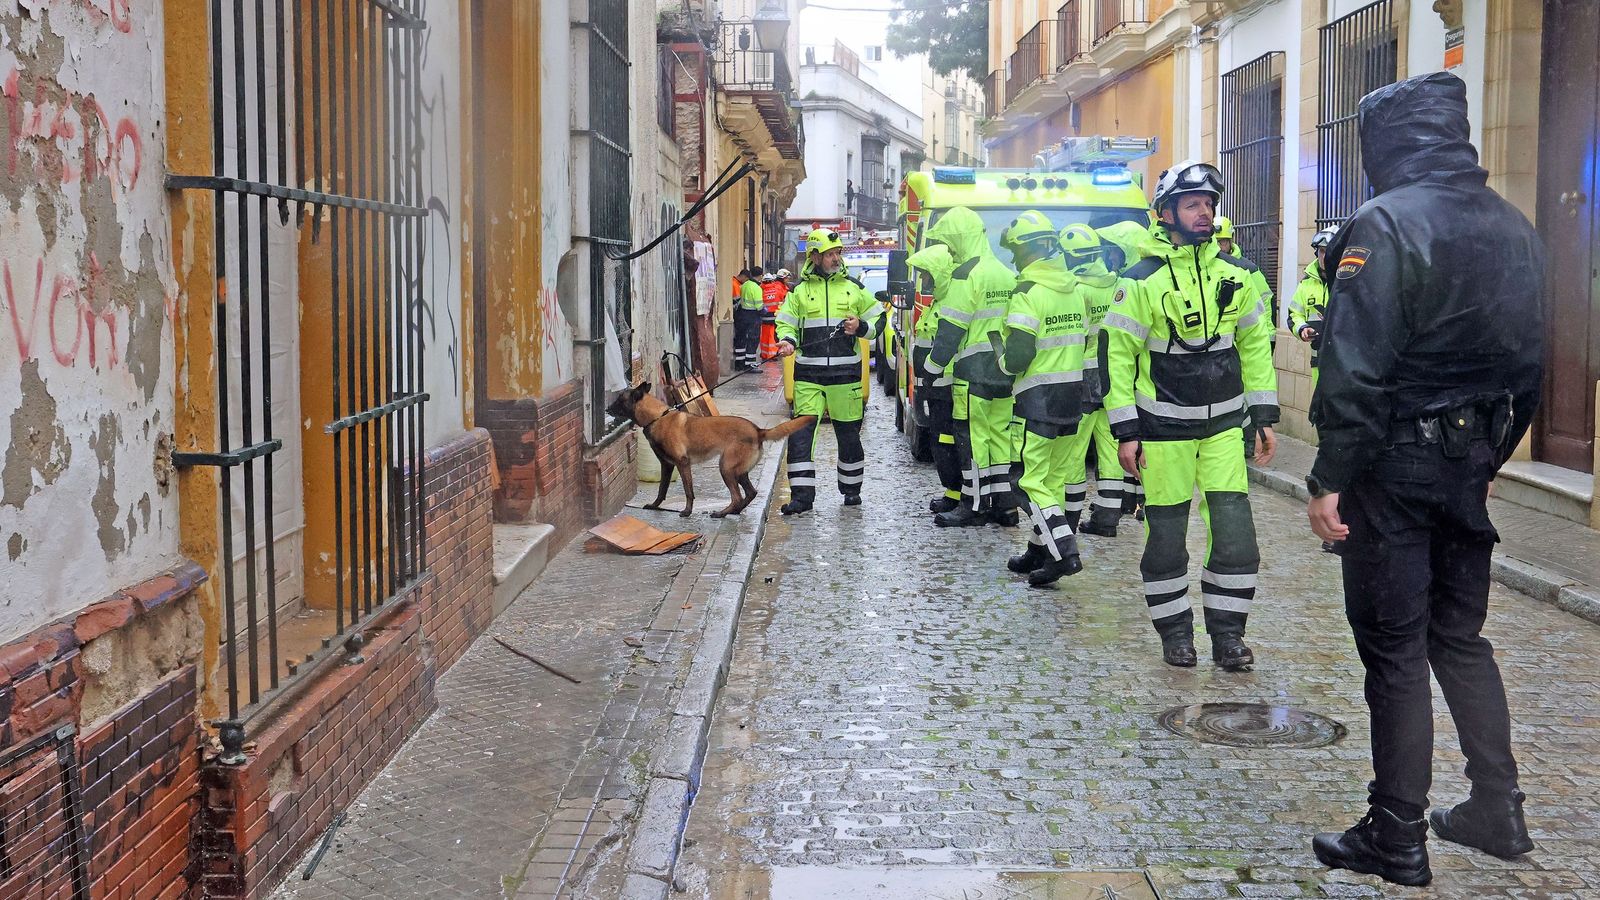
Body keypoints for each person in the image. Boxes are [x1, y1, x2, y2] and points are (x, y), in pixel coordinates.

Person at [1305, 72, 1544, 888]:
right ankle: (1498, 807)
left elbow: (1355, 366)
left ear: (1387, 141)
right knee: (1458, 636)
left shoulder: (1387, 222)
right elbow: (1531, 364)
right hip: (1469, 458)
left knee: (1396, 651)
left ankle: (1396, 833)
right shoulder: (1514, 226)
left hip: (1394, 464)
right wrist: (1486, 456)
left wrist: (1330, 476)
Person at [1103, 159, 1279, 670]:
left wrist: (1263, 415)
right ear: (1166, 214)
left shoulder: (1239, 275)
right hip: (1162, 433)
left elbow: (1254, 348)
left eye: (1208, 205)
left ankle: (1228, 637)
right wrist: (1125, 432)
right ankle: (1176, 635)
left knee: (1237, 540)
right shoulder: (1138, 281)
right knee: (1166, 541)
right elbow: (1116, 359)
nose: (1204, 213)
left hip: (1225, 429)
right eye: (1192, 204)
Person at [994, 211, 1087, 586]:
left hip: (1037, 399)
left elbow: (1018, 356)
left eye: (1015, 251)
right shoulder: (1074, 288)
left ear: (1028, 251)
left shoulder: (1027, 292)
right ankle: (1039, 552)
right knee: (1054, 478)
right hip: (1072, 394)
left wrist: (1000, 360)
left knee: (1029, 482)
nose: (1014, 259)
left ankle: (1064, 552)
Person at [923, 207, 1021, 528]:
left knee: (973, 444)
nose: (949, 253)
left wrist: (931, 367)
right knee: (999, 442)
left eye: (950, 245)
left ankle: (973, 506)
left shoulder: (966, 276)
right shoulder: (1006, 274)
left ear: (961, 241)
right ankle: (1005, 507)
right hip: (1003, 375)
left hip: (971, 378)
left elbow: (950, 330)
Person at [774, 229, 883, 513]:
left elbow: (879, 322)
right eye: (830, 254)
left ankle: (851, 491)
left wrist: (860, 327)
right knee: (800, 438)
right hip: (808, 377)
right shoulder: (798, 292)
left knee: (848, 437)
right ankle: (801, 498)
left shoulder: (854, 288)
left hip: (846, 378)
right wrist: (787, 342)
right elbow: (785, 324)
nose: (836, 259)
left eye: (837, 253)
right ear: (815, 256)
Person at [1057, 224, 1126, 537]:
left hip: (1082, 379)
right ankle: (1107, 520)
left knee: (1074, 450)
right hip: (1113, 376)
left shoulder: (1075, 290)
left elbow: (1075, 335)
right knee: (1110, 449)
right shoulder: (1117, 285)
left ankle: (1068, 520)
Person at [905, 242, 968, 515]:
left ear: (939, 273)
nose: (924, 281)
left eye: (926, 275)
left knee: (947, 442)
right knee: (942, 442)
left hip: (948, 388)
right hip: (935, 388)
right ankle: (952, 492)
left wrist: (930, 372)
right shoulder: (939, 303)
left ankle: (956, 494)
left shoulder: (949, 305)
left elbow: (945, 346)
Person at [1214, 215, 1277, 456]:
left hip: (1249, 342)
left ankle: (1250, 440)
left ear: (1232, 241)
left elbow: (1264, 305)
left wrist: (1267, 340)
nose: (1221, 246)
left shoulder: (1248, 270)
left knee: (1248, 398)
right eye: (1217, 241)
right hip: (1225, 346)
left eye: (1224, 241)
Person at [1288, 228, 1338, 388]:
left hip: (1344, 361)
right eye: (1322, 251)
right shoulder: (1306, 283)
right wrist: (1302, 328)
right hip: (1318, 359)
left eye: (1329, 251)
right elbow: (1294, 314)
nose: (1325, 256)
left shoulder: (1347, 280)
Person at [734, 265, 766, 371]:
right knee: (752, 340)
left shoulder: (744, 285)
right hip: (753, 317)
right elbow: (759, 306)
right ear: (761, 276)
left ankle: (739, 363)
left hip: (742, 315)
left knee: (741, 339)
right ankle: (750, 365)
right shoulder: (756, 288)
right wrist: (766, 312)